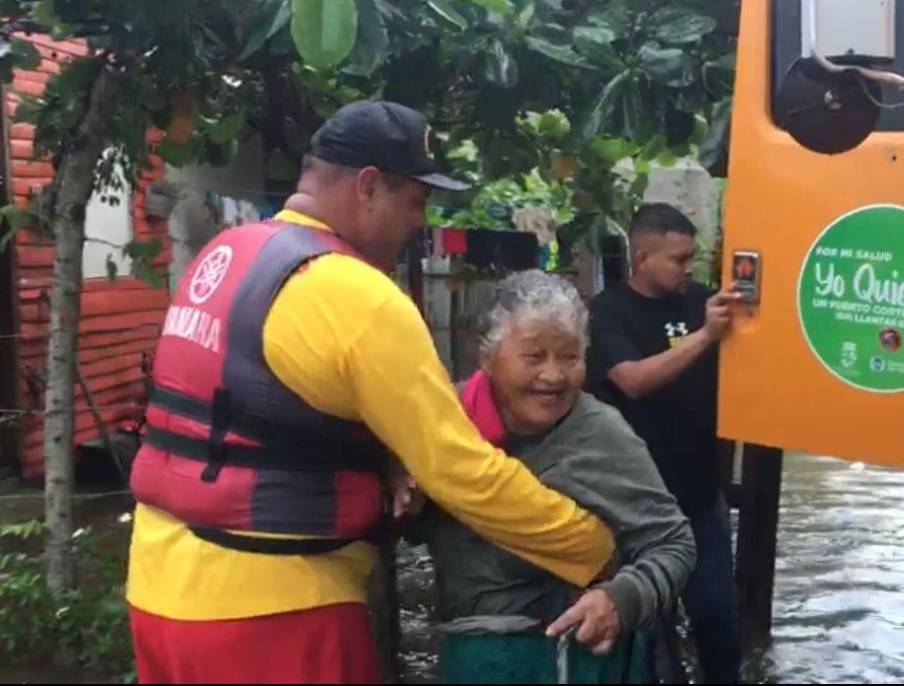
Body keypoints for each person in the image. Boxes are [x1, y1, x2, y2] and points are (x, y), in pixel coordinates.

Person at [124, 101, 617, 684]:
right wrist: (594, 548)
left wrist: (378, 459)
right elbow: (462, 473)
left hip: (159, 593)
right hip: (271, 612)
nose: (419, 223)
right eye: (416, 203)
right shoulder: (357, 295)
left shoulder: (230, 253)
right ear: (368, 187)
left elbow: (259, 406)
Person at [404, 270, 696, 683]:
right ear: (487, 357)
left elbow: (674, 543)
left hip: (573, 659)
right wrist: (399, 483)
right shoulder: (446, 425)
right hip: (472, 658)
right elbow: (402, 523)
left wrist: (620, 601)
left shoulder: (600, 434)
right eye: (534, 356)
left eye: (570, 356)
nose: (554, 375)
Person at [586, 203, 742, 684]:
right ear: (643, 256)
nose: (687, 268)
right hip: (636, 505)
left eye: (692, 257)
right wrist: (705, 337)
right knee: (649, 632)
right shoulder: (606, 312)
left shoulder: (703, 301)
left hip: (701, 495)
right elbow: (632, 380)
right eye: (678, 258)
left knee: (719, 620)